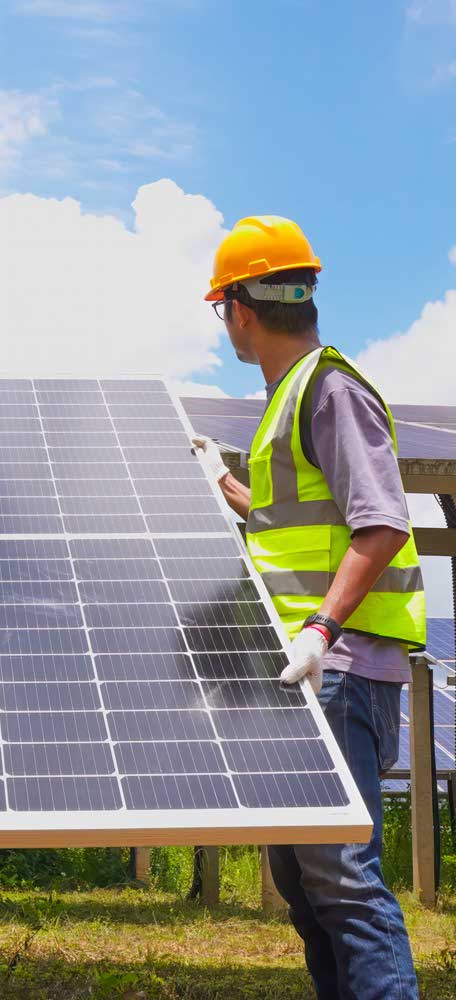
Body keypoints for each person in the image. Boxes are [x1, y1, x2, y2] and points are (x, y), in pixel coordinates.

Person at [193, 216, 425, 1000]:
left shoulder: (331, 387)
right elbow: (304, 520)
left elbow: (383, 520)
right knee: (302, 884)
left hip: (342, 665)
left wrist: (322, 628)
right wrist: (231, 492)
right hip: (307, 670)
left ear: (240, 312)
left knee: (343, 882)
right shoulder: (292, 396)